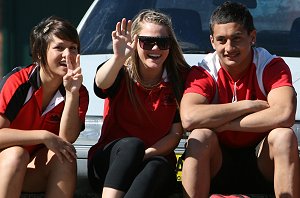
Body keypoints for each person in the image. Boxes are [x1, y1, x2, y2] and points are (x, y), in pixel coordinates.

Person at [180, 1, 299, 197]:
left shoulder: (271, 65)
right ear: (212, 41)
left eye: (236, 38)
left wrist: (226, 124)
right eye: (222, 40)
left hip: (262, 162)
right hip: (218, 163)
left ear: (252, 37)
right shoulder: (204, 70)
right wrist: (247, 105)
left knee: (284, 136)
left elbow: (284, 114)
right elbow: (190, 118)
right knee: (199, 136)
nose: (229, 48)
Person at [87, 9, 190, 198]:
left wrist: (143, 156)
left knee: (156, 165)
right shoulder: (119, 70)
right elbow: (100, 84)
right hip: (110, 164)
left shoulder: (179, 78)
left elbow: (175, 134)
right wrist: (118, 57)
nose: (156, 49)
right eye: (147, 42)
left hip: (152, 160)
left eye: (162, 42)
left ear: (171, 45)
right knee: (132, 145)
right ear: (134, 42)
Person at [0, 16, 89, 197]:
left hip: (28, 171)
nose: (68, 55)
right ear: (40, 53)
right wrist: (42, 136)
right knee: (17, 154)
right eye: (59, 48)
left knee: (66, 157)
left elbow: (66, 138)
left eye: (73, 48)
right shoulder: (18, 82)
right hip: (6, 164)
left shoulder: (79, 92)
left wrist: (72, 92)